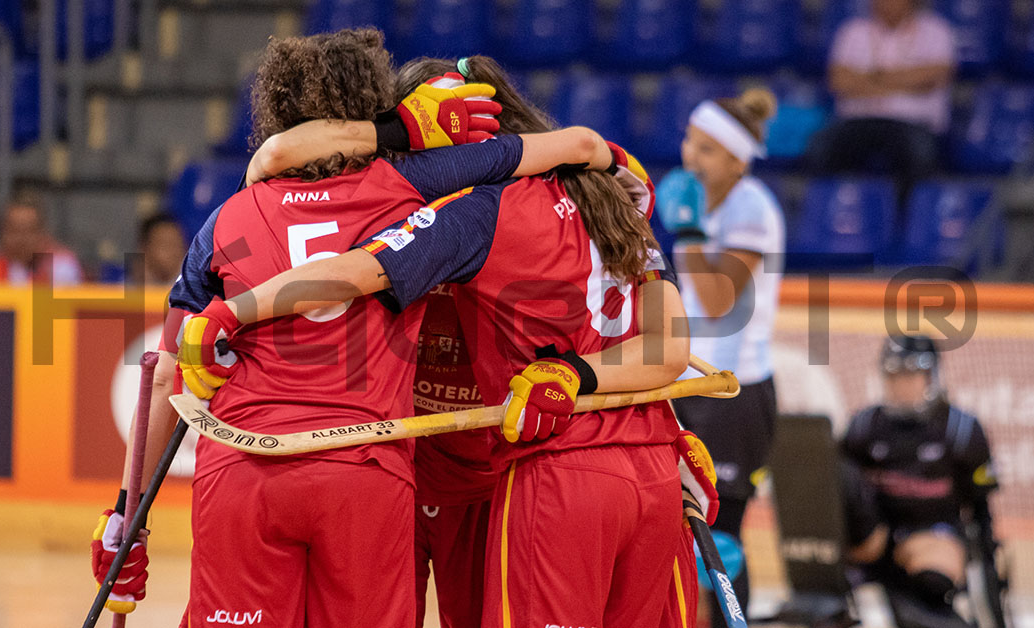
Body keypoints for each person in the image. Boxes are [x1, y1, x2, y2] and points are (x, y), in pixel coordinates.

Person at [87, 30, 614, 626]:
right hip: (362, 471)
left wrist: (126, 515)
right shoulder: (409, 189)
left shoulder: (227, 216)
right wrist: (619, 169)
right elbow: (574, 147)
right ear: (373, 109)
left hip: (242, 470)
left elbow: (163, 382)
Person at [180, 54, 715, 628]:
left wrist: (231, 311)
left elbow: (350, 260)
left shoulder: (469, 211)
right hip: (440, 466)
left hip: (496, 473)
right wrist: (666, 433)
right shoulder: (618, 203)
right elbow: (650, 343)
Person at [656, 88, 785, 628]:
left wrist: (685, 229)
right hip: (693, 385)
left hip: (736, 393)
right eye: (690, 140)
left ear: (737, 159)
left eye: (707, 149)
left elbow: (718, 301)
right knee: (678, 530)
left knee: (722, 537)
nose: (691, 155)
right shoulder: (710, 201)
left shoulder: (751, 205)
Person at [841, 334, 999, 626]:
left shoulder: (962, 431)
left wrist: (985, 568)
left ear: (932, 376)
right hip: (875, 535)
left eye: (910, 376)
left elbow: (980, 507)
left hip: (934, 534)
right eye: (893, 376)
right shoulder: (864, 426)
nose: (901, 385)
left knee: (932, 582)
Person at [805, 0, 955, 204]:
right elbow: (840, 81)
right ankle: (835, 214)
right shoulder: (853, 30)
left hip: (912, 122)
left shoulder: (936, 30)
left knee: (920, 155)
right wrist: (904, 81)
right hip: (858, 121)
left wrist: (868, 79)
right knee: (820, 148)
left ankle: (907, 225)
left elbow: (933, 76)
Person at [0, 195, 83, 285]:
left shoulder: (61, 267)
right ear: (2, 233)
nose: (21, 239)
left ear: (43, 233)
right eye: (14, 231)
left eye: (29, 231)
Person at [136, 213, 186, 286]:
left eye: (177, 244)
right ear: (145, 249)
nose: (174, 252)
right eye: (166, 245)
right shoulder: (121, 288)